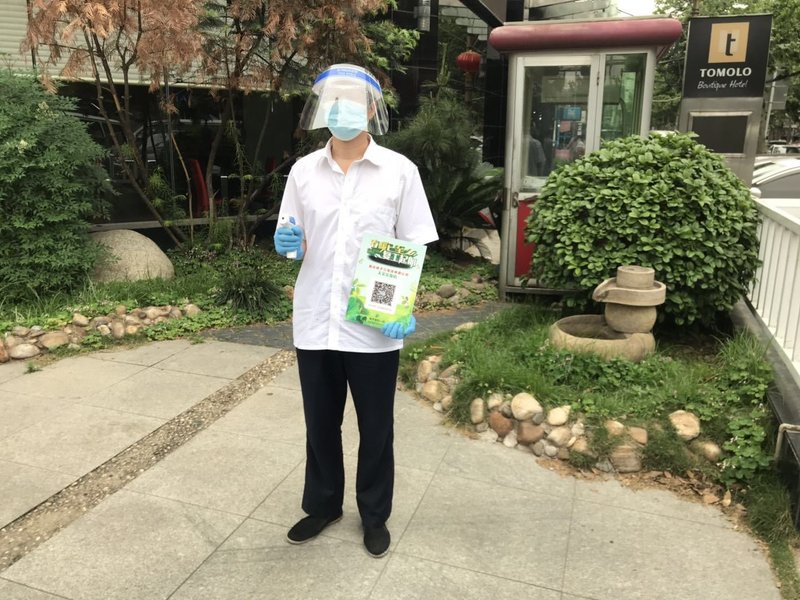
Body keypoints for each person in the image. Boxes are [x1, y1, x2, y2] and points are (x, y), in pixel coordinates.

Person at [273, 64, 438, 558]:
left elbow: (413, 244)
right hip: (316, 320)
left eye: (353, 100)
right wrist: (289, 244)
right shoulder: (303, 172)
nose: (343, 109)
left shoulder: (399, 172)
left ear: (371, 109)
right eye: (334, 100)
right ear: (323, 109)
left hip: (374, 325)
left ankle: (374, 514)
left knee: (376, 427)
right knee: (320, 423)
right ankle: (323, 505)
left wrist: (404, 302)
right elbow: (295, 241)